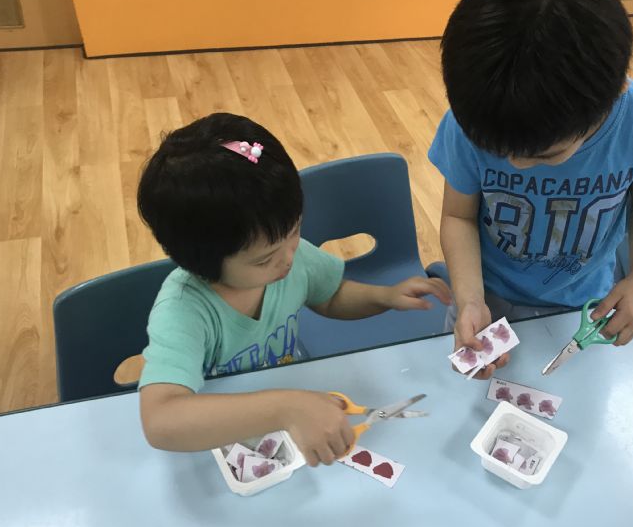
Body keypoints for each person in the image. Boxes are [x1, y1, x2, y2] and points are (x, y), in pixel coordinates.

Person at [136, 113, 450, 465]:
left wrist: (384, 296)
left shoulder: (290, 256)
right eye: (265, 260)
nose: (289, 259)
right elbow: (160, 421)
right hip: (225, 433)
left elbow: (330, 296)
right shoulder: (184, 311)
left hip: (295, 408)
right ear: (203, 264)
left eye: (295, 230)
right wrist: (285, 408)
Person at [429, 0, 633, 377]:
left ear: (613, 95)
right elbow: (458, 215)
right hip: (486, 298)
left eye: (545, 155)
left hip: (585, 303)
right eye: (498, 151)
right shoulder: (473, 120)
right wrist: (470, 300)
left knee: (578, 396)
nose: (516, 164)